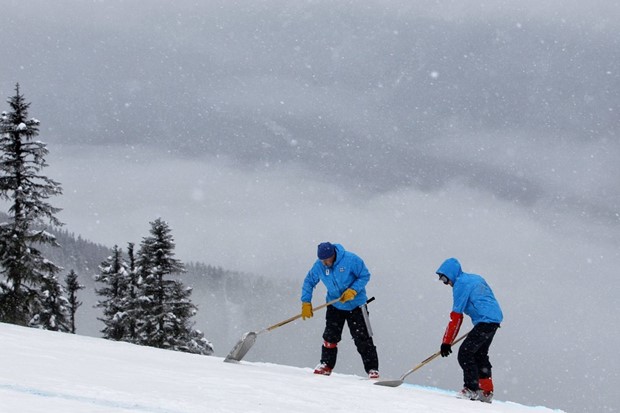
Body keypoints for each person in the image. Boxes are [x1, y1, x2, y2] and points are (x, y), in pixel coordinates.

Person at [300, 242, 380, 379]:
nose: (325, 263)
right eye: (322, 260)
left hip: (356, 306)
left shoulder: (351, 259)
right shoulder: (319, 266)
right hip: (335, 305)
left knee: (362, 338)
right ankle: (326, 365)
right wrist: (306, 302)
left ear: (333, 255)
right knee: (330, 337)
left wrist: (353, 290)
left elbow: (364, 275)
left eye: (327, 259)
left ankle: (372, 369)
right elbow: (309, 281)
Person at [435, 257, 503, 403]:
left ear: (451, 275)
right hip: (493, 319)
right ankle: (486, 391)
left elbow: (456, 317)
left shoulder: (460, 284)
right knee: (480, 354)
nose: (446, 284)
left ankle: (471, 388)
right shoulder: (473, 278)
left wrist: (446, 342)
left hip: (485, 321)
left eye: (445, 279)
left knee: (465, 353)